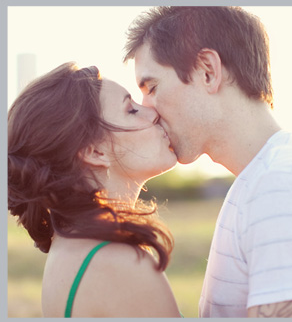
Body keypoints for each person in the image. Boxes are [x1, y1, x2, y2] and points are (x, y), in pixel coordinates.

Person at [123, 5, 292, 318]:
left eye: (152, 88)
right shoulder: (263, 178)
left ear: (208, 71)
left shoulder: (278, 187)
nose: (148, 111)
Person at [8, 63, 179, 318]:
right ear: (94, 152)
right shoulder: (120, 265)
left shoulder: (68, 249)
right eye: (131, 110)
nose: (152, 112)